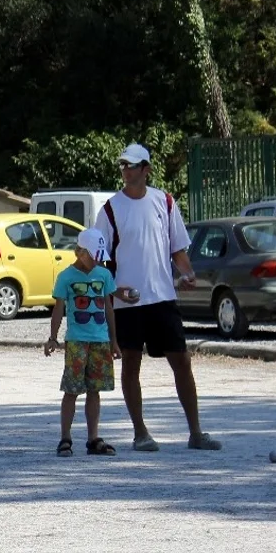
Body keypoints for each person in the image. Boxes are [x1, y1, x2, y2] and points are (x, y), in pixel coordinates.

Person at [94, 143, 221, 452]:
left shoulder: (163, 201)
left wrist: (187, 273)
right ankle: (140, 433)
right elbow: (99, 261)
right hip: (128, 303)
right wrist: (114, 290)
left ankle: (196, 432)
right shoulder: (110, 209)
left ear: (146, 169)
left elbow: (176, 248)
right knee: (131, 366)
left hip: (163, 298)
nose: (125, 170)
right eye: (122, 165)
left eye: (132, 165)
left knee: (182, 361)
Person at [44, 228, 121, 457]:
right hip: (77, 341)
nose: (96, 260)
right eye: (92, 255)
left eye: (99, 255)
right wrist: (53, 338)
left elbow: (108, 307)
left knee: (95, 390)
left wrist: (114, 341)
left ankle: (93, 438)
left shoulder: (104, 275)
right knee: (71, 389)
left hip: (100, 340)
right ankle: (65, 438)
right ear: (79, 252)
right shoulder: (66, 277)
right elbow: (59, 308)